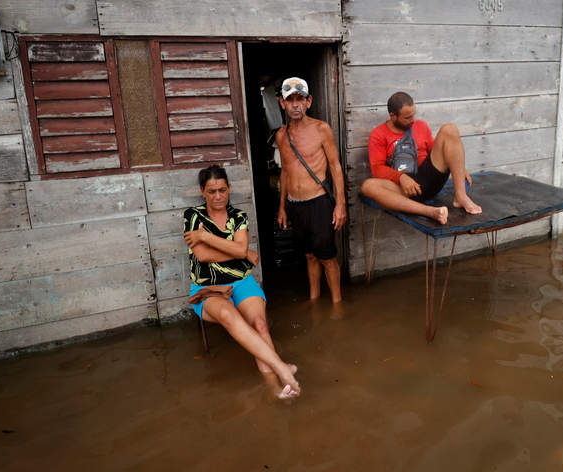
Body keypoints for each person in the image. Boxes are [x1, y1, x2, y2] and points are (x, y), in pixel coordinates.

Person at [183, 164, 300, 401]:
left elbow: (237, 248)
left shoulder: (238, 216)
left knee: (259, 323)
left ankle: (279, 386)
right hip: (208, 288)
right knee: (229, 316)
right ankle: (280, 372)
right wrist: (241, 253)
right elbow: (203, 256)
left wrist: (206, 236)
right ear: (202, 191)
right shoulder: (192, 215)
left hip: (241, 280)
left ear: (229, 188)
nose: (218, 196)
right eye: (212, 191)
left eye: (222, 190)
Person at [274, 77, 347, 305]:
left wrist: (340, 204)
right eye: (290, 100)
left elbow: (335, 166)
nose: (295, 105)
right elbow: (285, 172)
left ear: (309, 101)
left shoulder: (321, 129)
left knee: (327, 258)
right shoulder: (281, 135)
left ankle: (337, 305)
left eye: (300, 99)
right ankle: (314, 300)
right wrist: (282, 208)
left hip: (318, 203)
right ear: (282, 103)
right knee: (309, 256)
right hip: (295, 206)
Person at [361, 92, 482, 225]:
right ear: (393, 116)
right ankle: (431, 212)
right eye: (407, 117)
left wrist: (459, 168)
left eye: (414, 114)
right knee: (368, 186)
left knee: (450, 129)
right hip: (404, 190)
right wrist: (401, 177)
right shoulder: (378, 135)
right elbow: (377, 169)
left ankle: (461, 196)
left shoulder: (421, 126)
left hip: (429, 178)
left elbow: (435, 149)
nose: (413, 120)